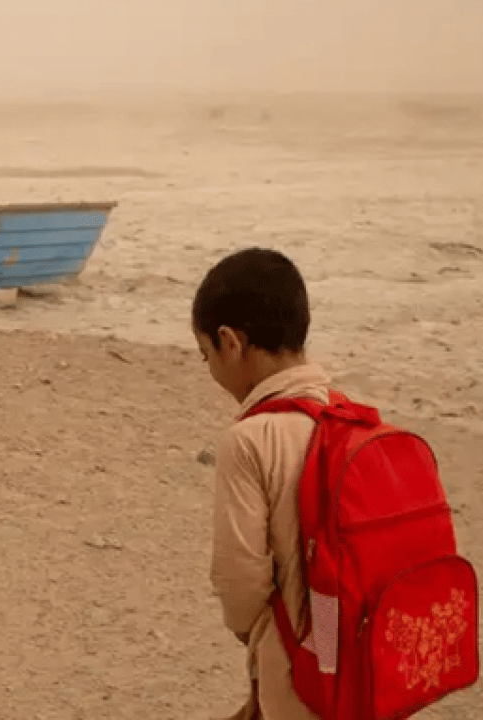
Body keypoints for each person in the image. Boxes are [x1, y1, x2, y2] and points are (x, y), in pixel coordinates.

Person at [191, 247, 326, 720]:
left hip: (301, 673)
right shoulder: (353, 421)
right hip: (369, 657)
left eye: (205, 353)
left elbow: (241, 581)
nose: (210, 369)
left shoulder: (251, 439)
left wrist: (248, 630)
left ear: (231, 342)